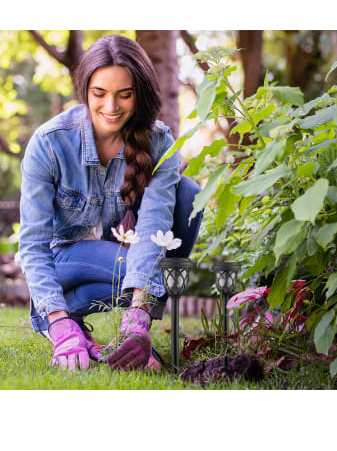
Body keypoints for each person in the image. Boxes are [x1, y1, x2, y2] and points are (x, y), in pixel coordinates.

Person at [19, 34, 202, 371]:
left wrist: (138, 316)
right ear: (85, 92)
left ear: (140, 94)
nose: (111, 107)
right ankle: (59, 320)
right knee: (145, 276)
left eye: (125, 95)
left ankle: (91, 322)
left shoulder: (159, 142)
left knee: (189, 196)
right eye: (99, 94)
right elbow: (32, 244)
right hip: (64, 260)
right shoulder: (49, 144)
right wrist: (59, 326)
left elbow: (154, 227)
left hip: (121, 252)